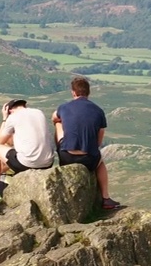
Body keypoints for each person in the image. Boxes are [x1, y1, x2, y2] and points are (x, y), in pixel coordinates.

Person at [52, 76, 123, 210]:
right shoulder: (98, 111)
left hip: (66, 157)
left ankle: (62, 155)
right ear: (88, 92)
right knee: (101, 162)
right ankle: (106, 198)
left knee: (57, 123)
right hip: (89, 159)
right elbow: (99, 141)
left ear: (73, 92)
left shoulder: (64, 107)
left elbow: (54, 117)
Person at [0, 99, 55, 202]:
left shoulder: (13, 117)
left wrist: (5, 119)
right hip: (48, 163)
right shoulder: (39, 112)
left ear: (9, 110)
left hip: (28, 163)